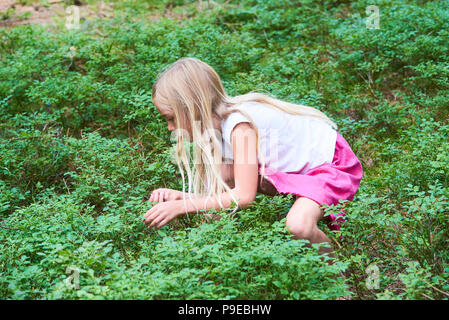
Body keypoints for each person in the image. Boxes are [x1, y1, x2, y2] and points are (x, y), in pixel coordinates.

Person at [143, 57, 363, 256]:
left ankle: (338, 284)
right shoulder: (214, 128)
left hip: (331, 166)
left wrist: (182, 206)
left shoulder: (239, 127)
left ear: (192, 108)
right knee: (221, 174)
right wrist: (183, 197)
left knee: (298, 226)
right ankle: (221, 255)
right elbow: (221, 189)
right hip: (298, 173)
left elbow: (244, 196)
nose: (171, 128)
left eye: (171, 118)